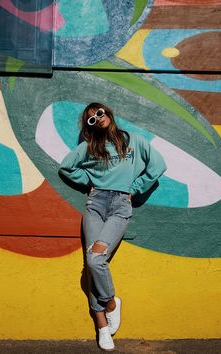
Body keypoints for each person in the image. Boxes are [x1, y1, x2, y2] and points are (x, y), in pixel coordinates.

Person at [59, 102, 167, 351]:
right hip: (95, 204)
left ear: (108, 113)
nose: (98, 118)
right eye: (91, 119)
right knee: (91, 265)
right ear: (90, 126)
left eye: (100, 113)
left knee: (96, 260)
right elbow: (65, 167)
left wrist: (135, 188)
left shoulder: (133, 141)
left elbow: (158, 166)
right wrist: (87, 179)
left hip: (120, 204)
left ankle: (110, 304)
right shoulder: (88, 148)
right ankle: (103, 327)